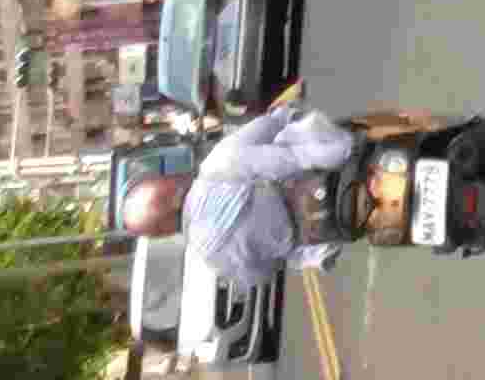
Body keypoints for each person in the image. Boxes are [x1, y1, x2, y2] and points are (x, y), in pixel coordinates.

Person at [123, 84, 364, 279]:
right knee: (304, 140)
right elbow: (267, 126)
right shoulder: (215, 167)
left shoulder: (212, 258)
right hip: (335, 162)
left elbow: (264, 273)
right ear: (171, 186)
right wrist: (282, 113)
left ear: (163, 232)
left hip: (329, 234)